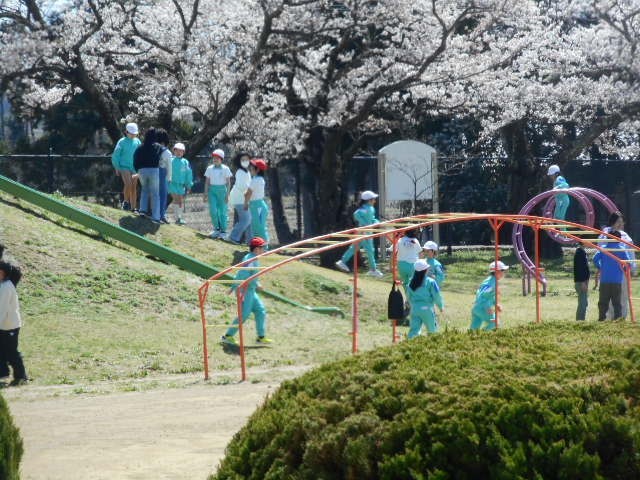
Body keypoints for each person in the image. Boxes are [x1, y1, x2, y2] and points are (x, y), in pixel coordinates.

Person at [221, 237, 272, 345]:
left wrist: (256, 284)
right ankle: (228, 336)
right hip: (244, 290)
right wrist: (234, 287)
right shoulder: (250, 260)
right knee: (244, 314)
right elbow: (242, 275)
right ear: (257, 249)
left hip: (251, 290)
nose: (264, 250)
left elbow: (252, 275)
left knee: (260, 310)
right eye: (263, 248)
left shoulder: (254, 258)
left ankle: (260, 337)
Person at [335, 190, 384, 277]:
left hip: (365, 232)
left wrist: (376, 222)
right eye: (373, 199)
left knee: (354, 248)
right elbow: (356, 214)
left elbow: (372, 219)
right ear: (369, 200)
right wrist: (365, 223)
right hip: (365, 233)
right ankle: (373, 269)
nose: (375, 201)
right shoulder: (366, 209)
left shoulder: (371, 209)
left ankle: (342, 261)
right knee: (370, 251)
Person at [600, 211, 636, 319]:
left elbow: (630, 253)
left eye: (622, 222)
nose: (621, 224)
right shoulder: (605, 235)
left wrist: (632, 268)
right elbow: (600, 252)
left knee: (623, 295)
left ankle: (621, 318)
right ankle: (610, 318)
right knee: (609, 297)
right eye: (618, 222)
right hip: (609, 271)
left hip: (623, 270)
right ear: (612, 222)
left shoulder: (625, 236)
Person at [0, 261, 28, 386]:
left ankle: (21, 376)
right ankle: (3, 374)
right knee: (2, 351)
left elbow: (2, 309)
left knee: (11, 352)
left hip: (9, 326)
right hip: (3, 325)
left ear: (3, 273)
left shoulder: (6, 287)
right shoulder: (2, 285)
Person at [594, 231, 630, 321]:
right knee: (617, 302)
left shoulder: (603, 248)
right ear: (619, 239)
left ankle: (601, 319)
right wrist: (623, 269)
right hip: (617, 280)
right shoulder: (621, 249)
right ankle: (618, 320)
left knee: (603, 302)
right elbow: (628, 263)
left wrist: (600, 267)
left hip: (604, 280)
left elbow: (595, 259)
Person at [406, 259, 444, 338]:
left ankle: (409, 343)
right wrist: (441, 307)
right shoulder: (431, 282)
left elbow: (408, 296)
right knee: (432, 331)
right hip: (427, 309)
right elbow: (437, 296)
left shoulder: (410, 282)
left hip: (415, 309)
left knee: (414, 331)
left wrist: (410, 304)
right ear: (425, 270)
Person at [133, 127, 163, 224]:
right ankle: (156, 217)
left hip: (142, 170)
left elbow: (135, 159)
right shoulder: (158, 146)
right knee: (155, 194)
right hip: (154, 170)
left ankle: (142, 210)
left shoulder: (140, 147)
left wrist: (137, 170)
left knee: (144, 190)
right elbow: (162, 153)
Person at [470, 260, 509, 331]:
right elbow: (484, 294)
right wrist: (487, 307)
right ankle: (483, 335)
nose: (504, 273)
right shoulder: (492, 282)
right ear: (497, 271)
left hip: (476, 308)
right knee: (495, 322)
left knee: (474, 329)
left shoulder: (489, 280)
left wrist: (495, 304)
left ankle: (472, 336)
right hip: (483, 308)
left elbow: (485, 294)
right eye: (502, 270)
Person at [111, 122, 141, 212]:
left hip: (134, 167)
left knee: (133, 187)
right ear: (126, 132)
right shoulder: (121, 142)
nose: (133, 135)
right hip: (124, 167)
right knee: (128, 184)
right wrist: (117, 167)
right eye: (131, 133)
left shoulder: (138, 141)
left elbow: (141, 154)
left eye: (135, 133)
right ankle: (125, 202)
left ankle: (133, 208)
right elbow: (115, 155)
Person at [203, 149, 233, 239]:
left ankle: (223, 231)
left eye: (217, 158)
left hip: (222, 191)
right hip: (212, 191)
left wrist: (227, 195)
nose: (215, 159)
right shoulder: (209, 168)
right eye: (214, 157)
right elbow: (207, 182)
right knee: (213, 211)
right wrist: (205, 193)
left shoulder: (226, 168)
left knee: (222, 212)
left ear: (221, 159)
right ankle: (216, 229)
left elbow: (228, 183)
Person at [226, 152, 253, 244]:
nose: (245, 161)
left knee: (249, 220)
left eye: (247, 159)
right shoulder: (240, 172)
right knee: (246, 219)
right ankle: (233, 237)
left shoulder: (247, 172)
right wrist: (250, 191)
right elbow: (242, 186)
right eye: (243, 160)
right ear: (239, 161)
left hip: (244, 199)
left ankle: (251, 242)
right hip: (239, 199)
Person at [168, 143, 193, 225]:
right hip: (172, 184)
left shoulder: (185, 162)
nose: (179, 152)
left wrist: (189, 185)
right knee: (176, 199)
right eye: (177, 150)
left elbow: (189, 174)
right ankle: (177, 218)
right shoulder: (170, 160)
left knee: (180, 201)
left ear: (183, 152)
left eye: (181, 151)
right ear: (174, 151)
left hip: (181, 185)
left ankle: (179, 218)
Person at [247, 158, 270, 246]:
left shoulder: (256, 180)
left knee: (260, 227)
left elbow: (249, 193)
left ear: (258, 170)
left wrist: (245, 203)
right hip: (255, 206)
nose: (250, 169)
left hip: (258, 207)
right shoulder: (256, 179)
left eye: (252, 167)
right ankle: (258, 247)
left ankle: (264, 247)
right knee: (255, 227)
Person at [156, 129, 173, 224]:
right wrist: (169, 178)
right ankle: (161, 215)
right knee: (163, 196)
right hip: (163, 175)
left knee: (154, 195)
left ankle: (154, 214)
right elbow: (169, 167)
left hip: (153, 173)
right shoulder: (167, 152)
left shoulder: (153, 149)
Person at [573, 246, 590, 321]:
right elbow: (580, 269)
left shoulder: (581, 252)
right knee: (582, 304)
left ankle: (581, 320)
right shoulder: (580, 253)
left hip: (583, 281)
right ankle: (580, 321)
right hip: (581, 282)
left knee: (584, 303)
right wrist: (583, 282)